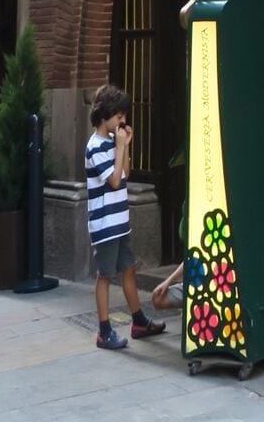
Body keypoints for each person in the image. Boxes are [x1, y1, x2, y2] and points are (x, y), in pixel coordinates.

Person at [84, 84, 164, 351]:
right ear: (104, 115)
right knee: (105, 275)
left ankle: (139, 321)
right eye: (118, 116)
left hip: (119, 221)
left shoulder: (111, 143)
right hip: (105, 224)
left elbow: (125, 172)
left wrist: (124, 147)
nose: (123, 121)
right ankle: (104, 331)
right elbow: (115, 181)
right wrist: (119, 147)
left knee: (129, 268)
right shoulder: (95, 147)